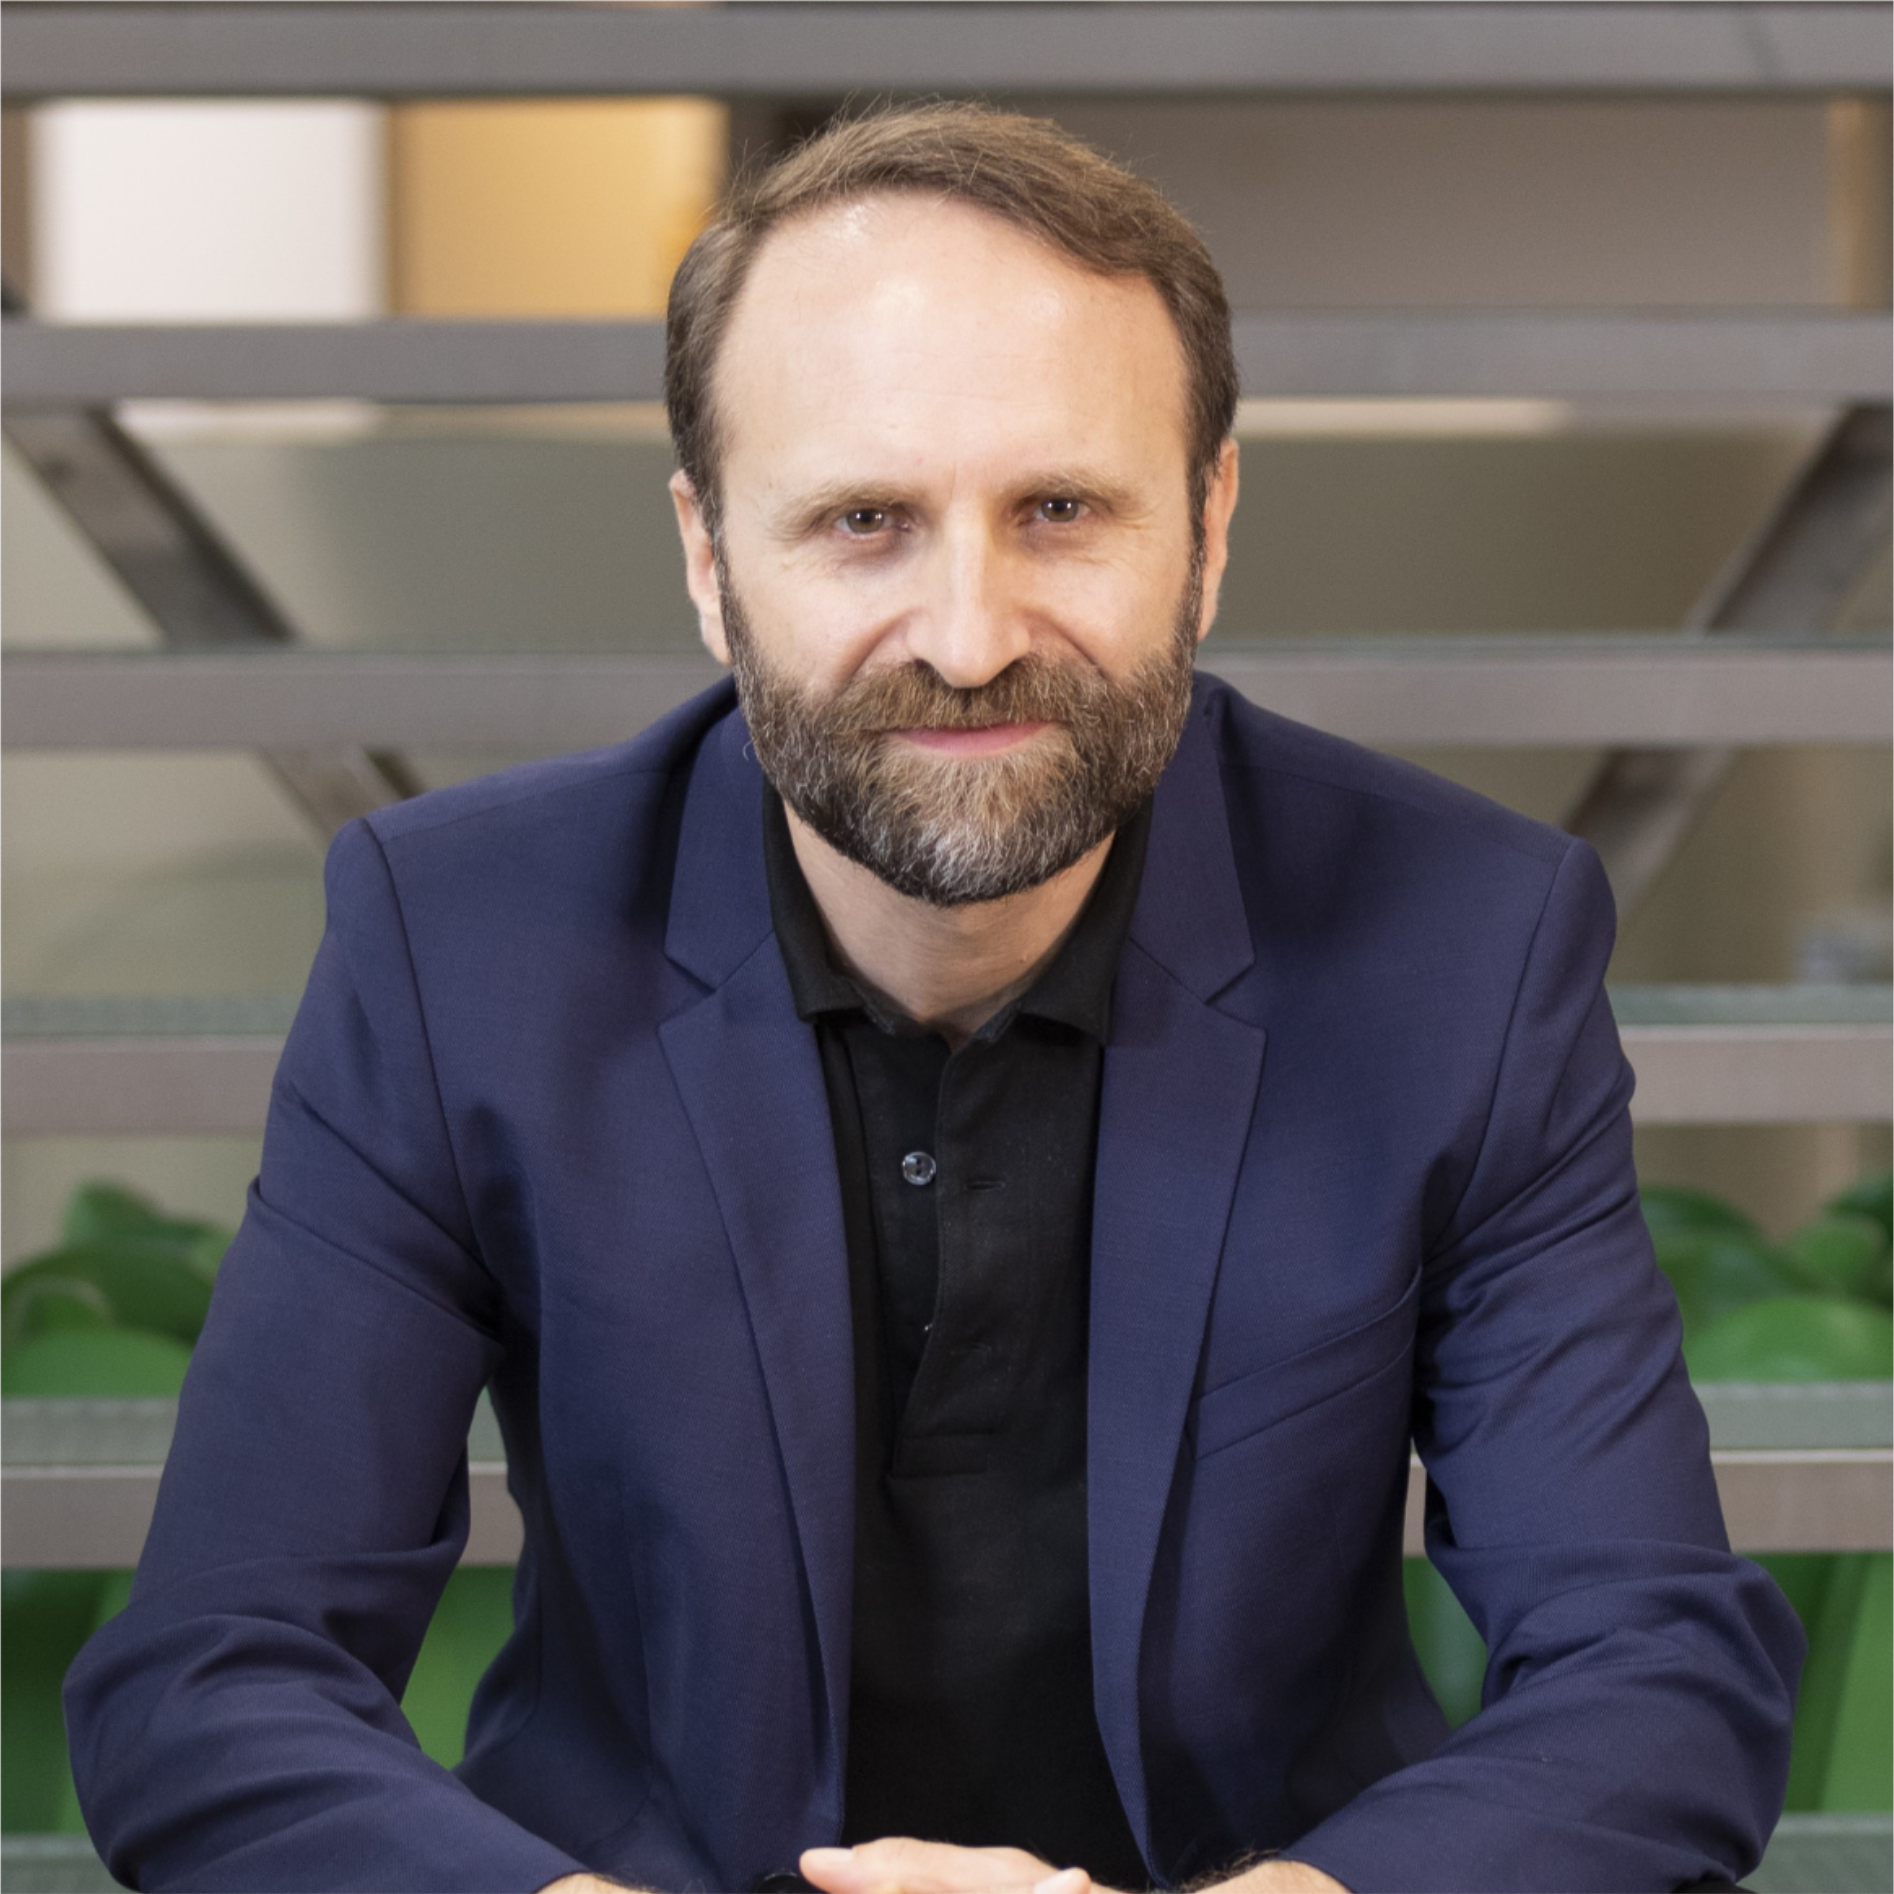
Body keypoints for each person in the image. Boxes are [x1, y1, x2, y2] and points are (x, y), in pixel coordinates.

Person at [65, 103, 1801, 1894]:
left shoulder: (1464, 944)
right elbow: (209, 1681)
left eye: (1060, 509)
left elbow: (1655, 1672)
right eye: (862, 520)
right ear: (706, 557)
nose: (968, 636)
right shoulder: (458, 944)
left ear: (1206, 527)